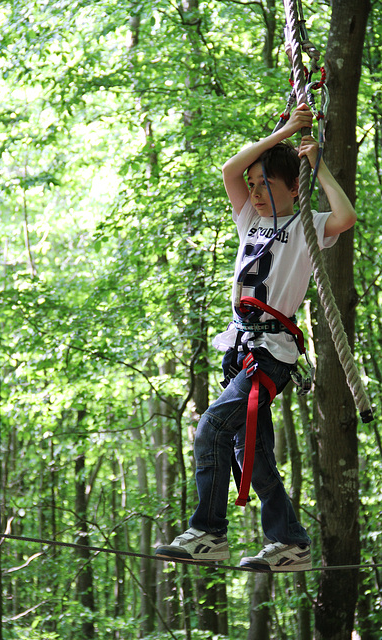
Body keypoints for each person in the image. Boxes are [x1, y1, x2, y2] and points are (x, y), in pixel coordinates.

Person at [155, 104, 357, 572]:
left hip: (272, 353)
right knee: (253, 451)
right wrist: (284, 131)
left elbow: (345, 216)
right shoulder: (249, 219)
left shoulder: (306, 226)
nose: (255, 192)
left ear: (293, 188)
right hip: (242, 350)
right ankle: (290, 543)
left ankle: (208, 533)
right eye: (253, 186)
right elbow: (230, 169)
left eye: (266, 184)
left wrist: (317, 164)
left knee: (211, 428)